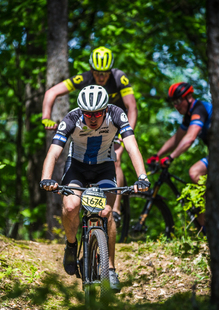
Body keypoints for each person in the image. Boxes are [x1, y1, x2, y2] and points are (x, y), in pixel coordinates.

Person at [39, 85, 149, 292]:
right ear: (81, 111)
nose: (93, 118)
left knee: (107, 213)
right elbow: (53, 152)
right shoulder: (71, 118)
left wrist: (142, 177)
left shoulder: (117, 114)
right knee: (71, 206)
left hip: (104, 167)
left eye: (98, 113)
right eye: (88, 113)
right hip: (77, 168)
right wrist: (46, 178)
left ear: (106, 109)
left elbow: (133, 146)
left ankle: (112, 269)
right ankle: (72, 245)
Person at [41, 46, 138, 224]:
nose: (101, 77)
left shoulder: (119, 78)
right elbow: (51, 92)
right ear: (91, 70)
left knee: (115, 158)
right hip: (89, 126)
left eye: (105, 73)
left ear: (111, 70)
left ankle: (115, 209)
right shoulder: (84, 78)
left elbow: (132, 108)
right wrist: (46, 117)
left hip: (115, 125)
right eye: (97, 73)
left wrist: (125, 135)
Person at [147, 82, 219, 228]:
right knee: (199, 202)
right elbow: (177, 138)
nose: (176, 105)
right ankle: (206, 231)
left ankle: (218, 207)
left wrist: (170, 158)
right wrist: (158, 154)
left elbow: (190, 138)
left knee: (195, 172)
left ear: (189, 97)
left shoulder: (199, 109)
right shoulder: (188, 116)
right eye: (173, 102)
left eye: (178, 101)